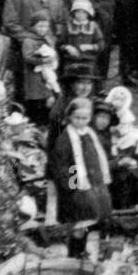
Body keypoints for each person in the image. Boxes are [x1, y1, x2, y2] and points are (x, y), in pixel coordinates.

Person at [47, 97, 113, 260]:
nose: (81, 122)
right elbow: (61, 165)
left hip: (94, 184)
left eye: (85, 118)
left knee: (91, 220)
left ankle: (84, 250)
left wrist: (99, 180)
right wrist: (74, 187)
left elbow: (96, 157)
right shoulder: (65, 139)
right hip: (76, 187)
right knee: (79, 222)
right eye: (77, 118)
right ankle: (75, 253)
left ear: (89, 118)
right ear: (70, 117)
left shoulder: (90, 134)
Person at [20, 13, 62, 124]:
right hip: (34, 76)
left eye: (46, 26)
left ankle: (45, 125)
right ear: (33, 26)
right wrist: (44, 60)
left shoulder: (47, 39)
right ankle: (36, 125)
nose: (43, 29)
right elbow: (27, 57)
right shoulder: (29, 40)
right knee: (37, 101)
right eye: (40, 26)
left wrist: (53, 57)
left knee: (49, 99)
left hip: (47, 74)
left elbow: (53, 52)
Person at [58, 0, 105, 78]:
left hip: (88, 61)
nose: (80, 14)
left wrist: (91, 47)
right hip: (70, 61)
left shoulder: (93, 26)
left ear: (88, 13)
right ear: (74, 12)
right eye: (78, 11)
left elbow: (101, 44)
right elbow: (59, 43)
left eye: (84, 12)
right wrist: (67, 47)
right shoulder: (68, 25)